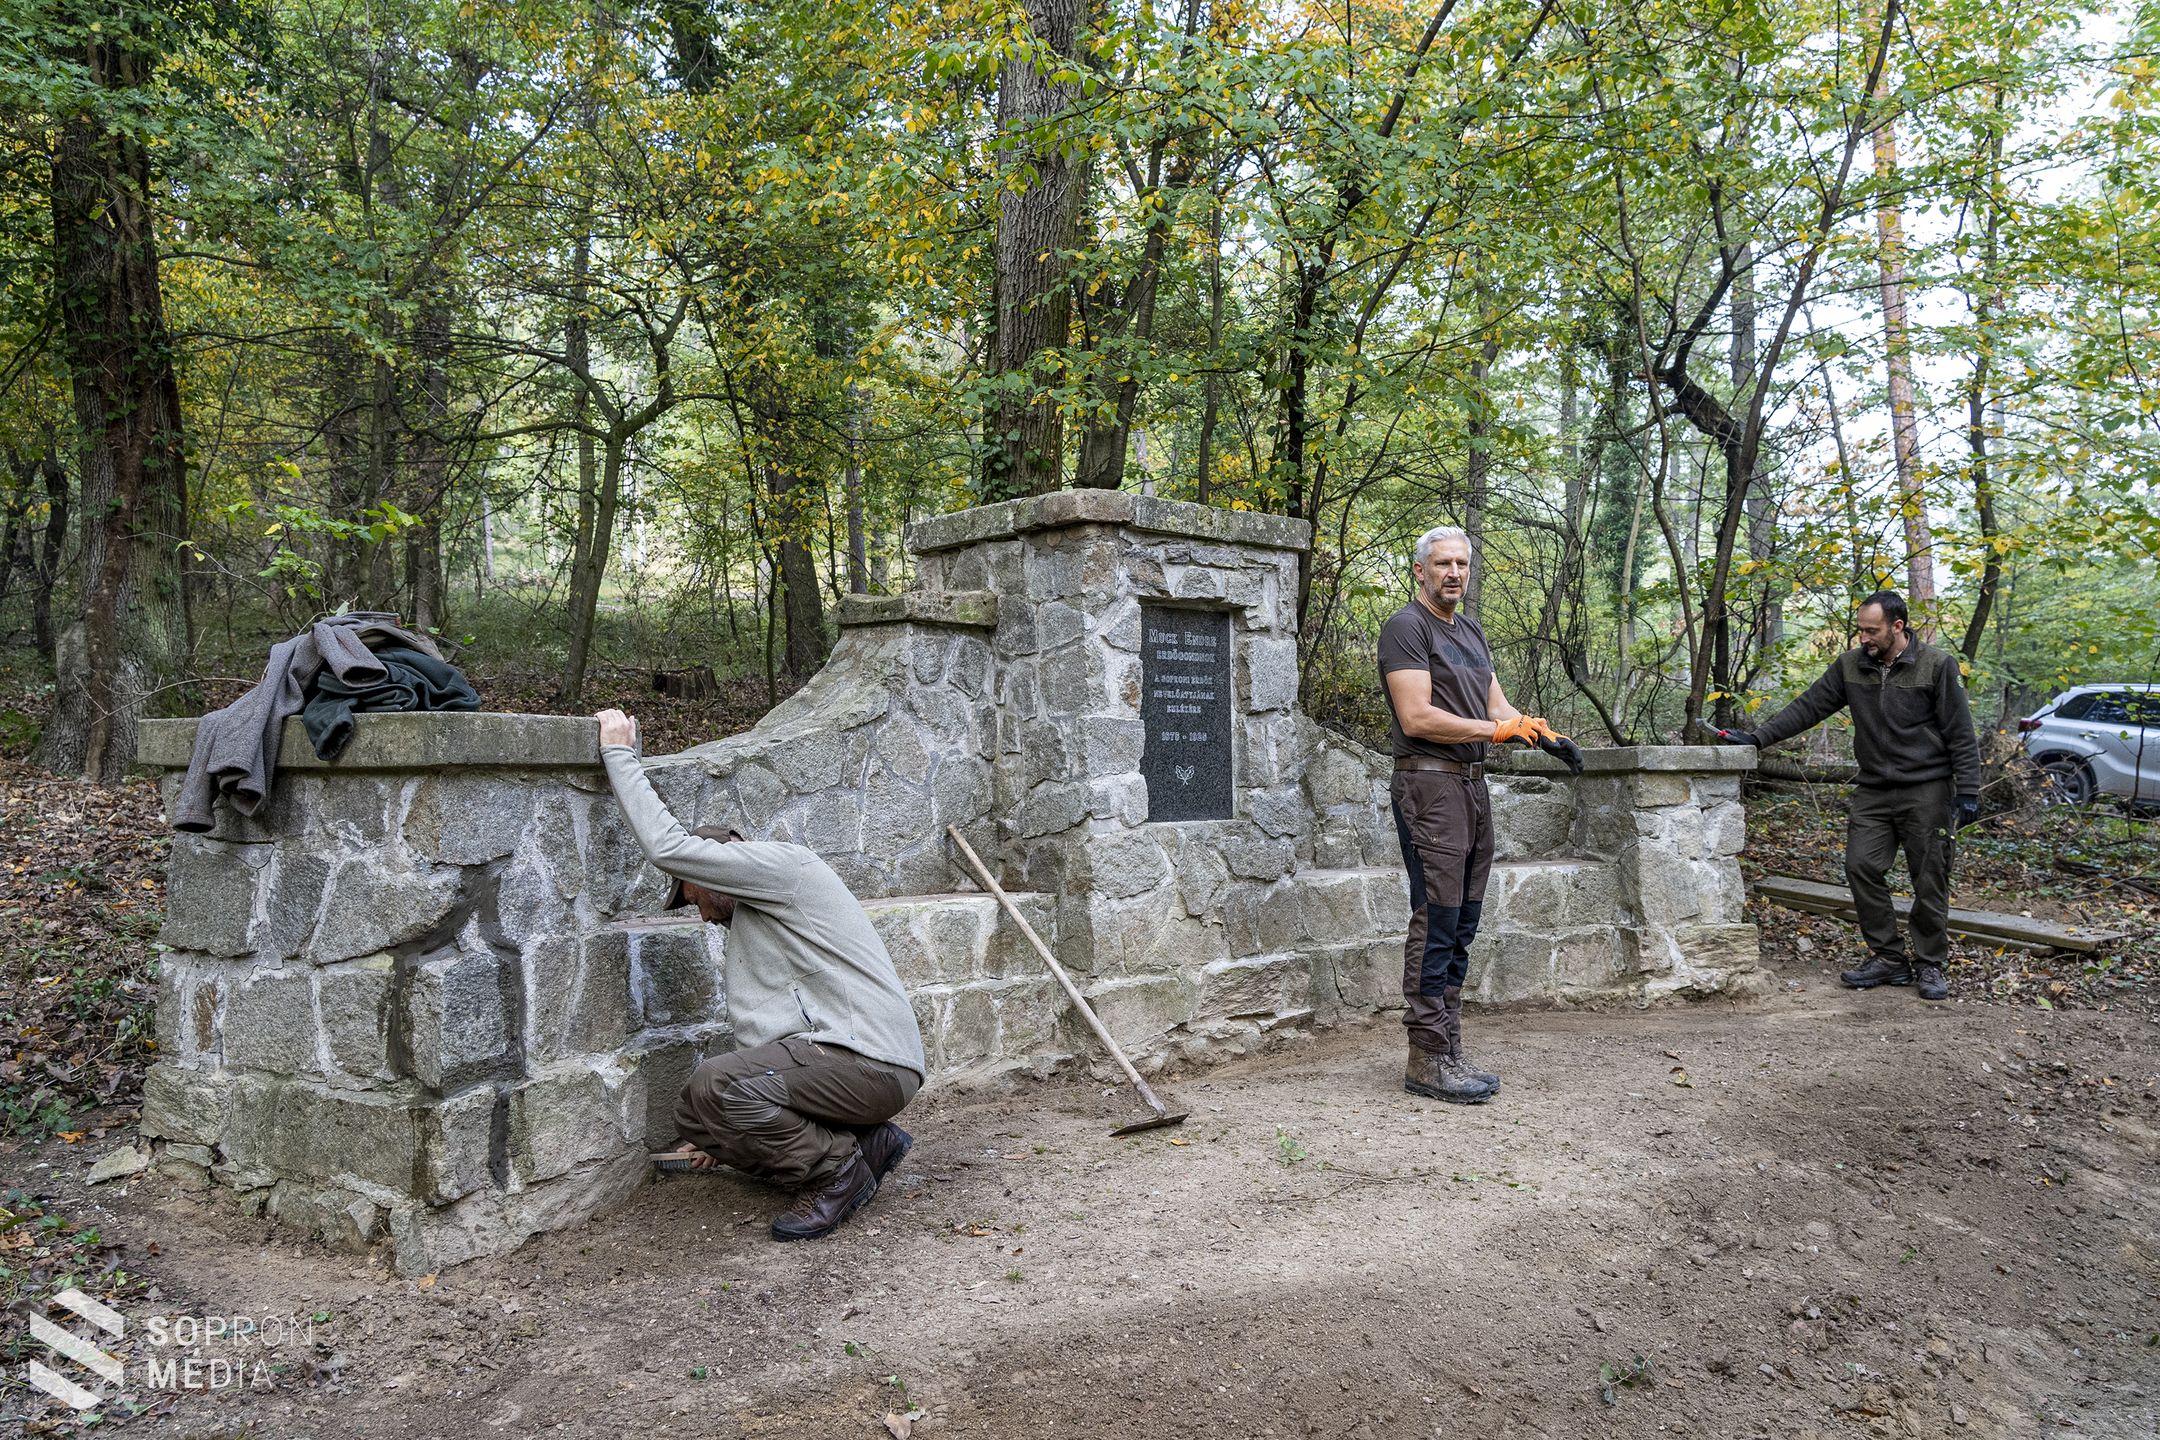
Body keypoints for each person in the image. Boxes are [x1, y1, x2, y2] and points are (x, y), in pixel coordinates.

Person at [594, 708, 927, 1241]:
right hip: (845, 1068)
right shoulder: (761, 918)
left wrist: (619, 753)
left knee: (715, 1083)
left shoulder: (780, 868)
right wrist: (727, 1134)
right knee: (698, 1115)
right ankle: (870, 1144)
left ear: (718, 867)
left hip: (871, 1063)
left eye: (692, 893)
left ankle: (837, 1172)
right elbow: (771, 1054)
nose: (699, 912)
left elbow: (667, 848)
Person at [1378, 526, 1583, 1104]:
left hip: (1472, 786)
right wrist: (1499, 730)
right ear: (1420, 570)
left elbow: (1499, 707)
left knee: (1464, 917)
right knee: (1436, 916)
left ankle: (1449, 1043)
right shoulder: (1406, 628)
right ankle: (1426, 1052)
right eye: (1442, 564)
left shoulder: (1469, 631)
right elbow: (1417, 717)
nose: (1454, 574)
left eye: (1462, 564)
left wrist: (1543, 735)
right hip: (1429, 785)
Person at [1716, 591, 1981, 1002]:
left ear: (1897, 626)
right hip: (1874, 788)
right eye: (1860, 630)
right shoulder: (1851, 665)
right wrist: (1757, 737)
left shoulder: (1936, 665)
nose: (1864, 639)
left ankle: (1930, 962)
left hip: (1927, 788)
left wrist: (1967, 789)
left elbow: (1960, 733)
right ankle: (1889, 958)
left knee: (1929, 877)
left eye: (1872, 631)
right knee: (1861, 866)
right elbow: (1809, 707)